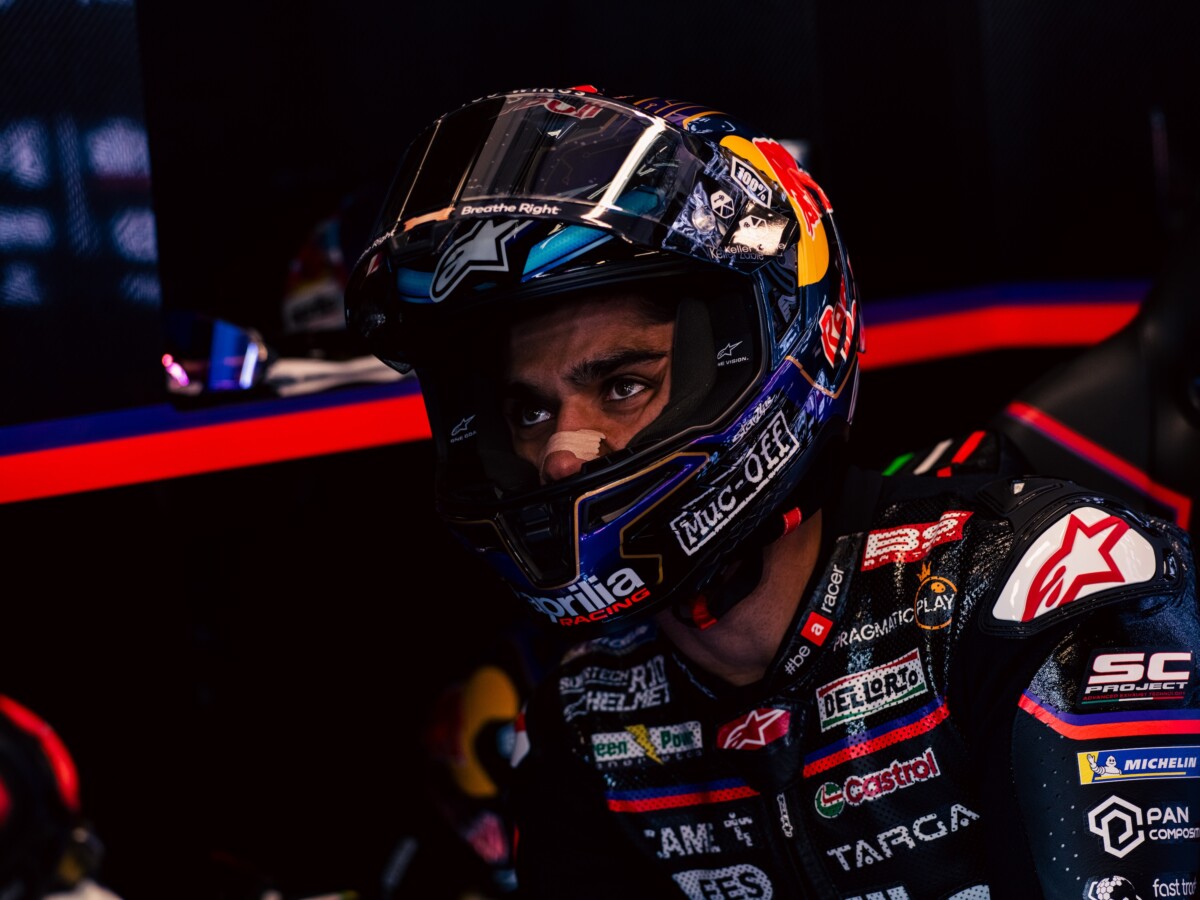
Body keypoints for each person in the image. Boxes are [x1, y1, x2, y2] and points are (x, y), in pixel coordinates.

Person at [344, 86, 1200, 899]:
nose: (562, 458)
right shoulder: (587, 718)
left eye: (623, 386)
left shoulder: (1043, 586)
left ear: (767, 349)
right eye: (528, 412)